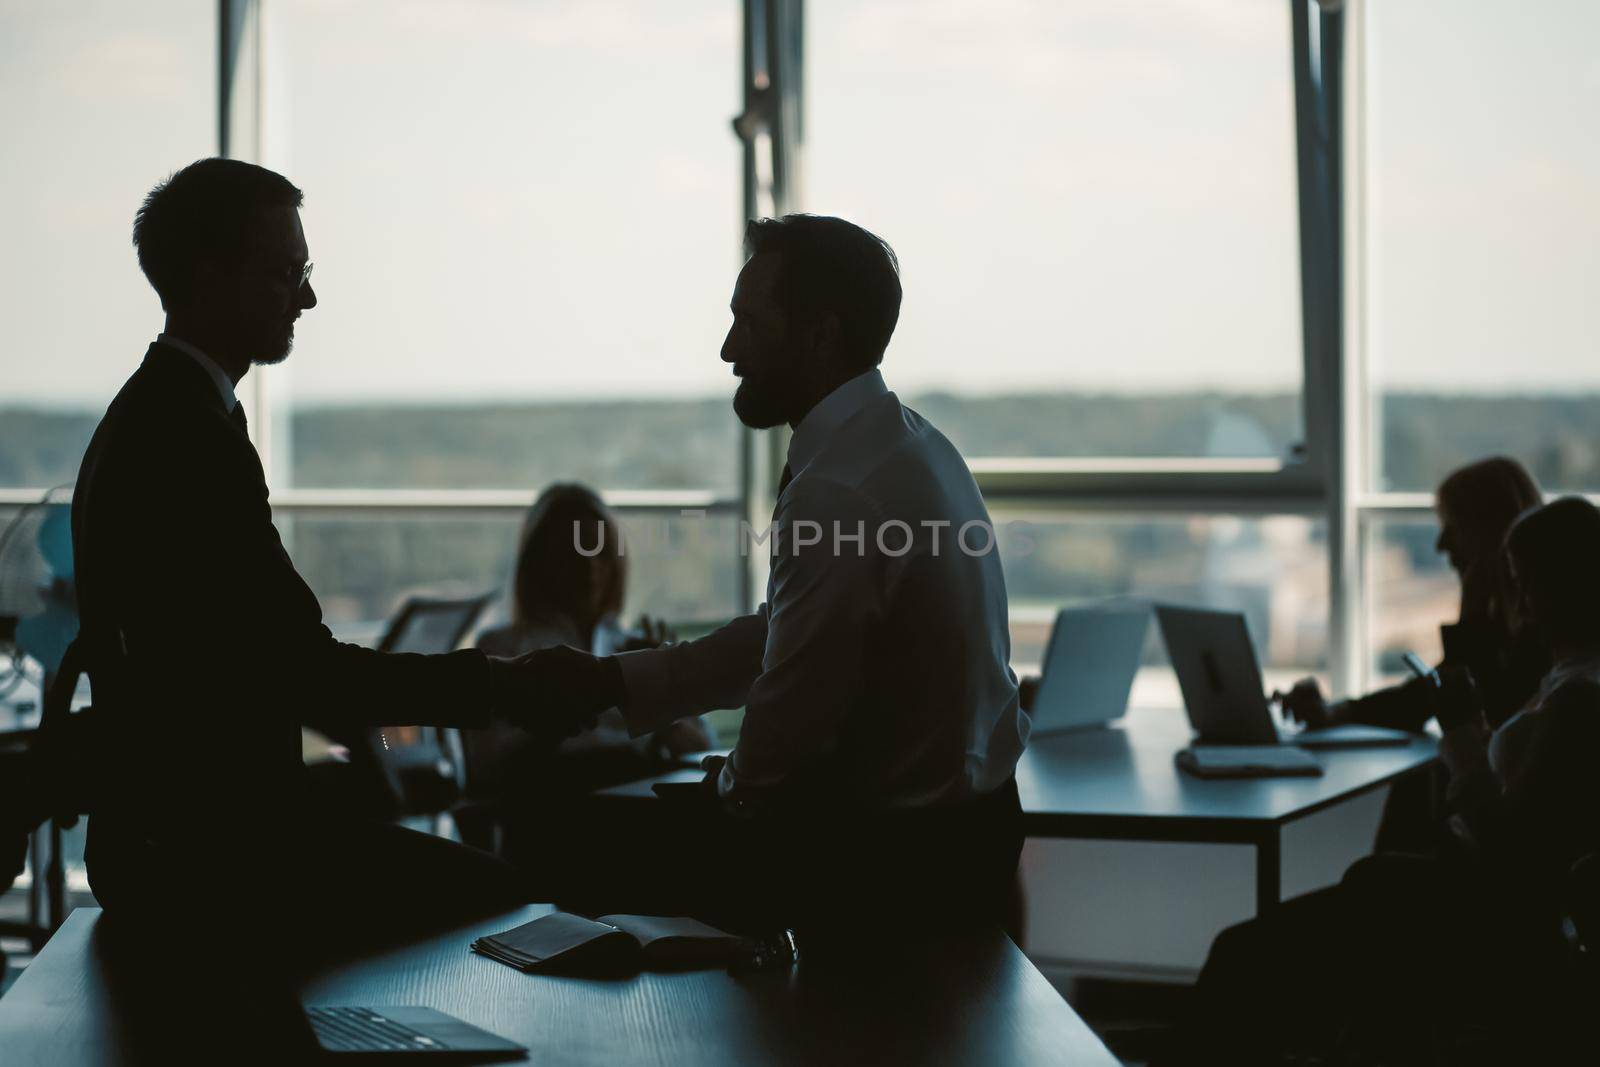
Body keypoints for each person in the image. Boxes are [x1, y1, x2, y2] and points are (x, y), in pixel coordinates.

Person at [69, 158, 616, 974]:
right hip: (217, 858)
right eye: (287, 273)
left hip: (167, 840)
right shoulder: (190, 442)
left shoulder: (158, 417)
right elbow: (307, 673)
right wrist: (509, 688)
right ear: (210, 277)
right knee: (512, 901)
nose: (308, 296)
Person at [541, 214, 1031, 931]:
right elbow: (795, 633)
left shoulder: (836, 489)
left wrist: (732, 790)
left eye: (747, 320)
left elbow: (790, 716)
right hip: (968, 836)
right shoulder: (915, 448)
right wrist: (622, 682)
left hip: (895, 870)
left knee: (577, 874)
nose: (728, 347)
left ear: (817, 333)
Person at [1159, 497, 1600, 1065]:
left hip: (1479, 920)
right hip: (1467, 900)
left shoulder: (1577, 697)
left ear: (1555, 585)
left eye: (1522, 581)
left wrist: (1465, 743)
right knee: (1300, 926)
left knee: (1243, 953)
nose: (1517, 599)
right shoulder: (1563, 679)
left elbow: (1516, 855)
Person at [466, 483, 709, 807]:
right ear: (539, 561)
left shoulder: (634, 645)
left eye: (602, 553)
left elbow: (703, 747)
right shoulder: (501, 647)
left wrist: (662, 689)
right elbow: (485, 768)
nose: (589, 567)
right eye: (571, 552)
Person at [1278, 456, 1545, 734]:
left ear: (1491, 530)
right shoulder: (1506, 618)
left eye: (1453, 528)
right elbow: (1419, 700)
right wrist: (1333, 711)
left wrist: (1470, 622)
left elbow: (1473, 714)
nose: (1441, 545)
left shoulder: (1543, 629)